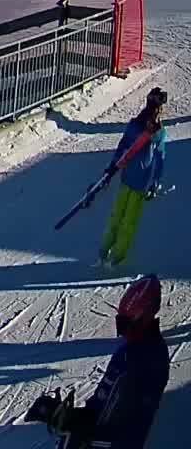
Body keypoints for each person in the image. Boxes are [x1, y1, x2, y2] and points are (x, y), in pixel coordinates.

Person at [31, 274, 169, 448]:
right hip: (95, 434)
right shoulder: (131, 351)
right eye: (120, 322)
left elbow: (130, 435)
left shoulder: (145, 361)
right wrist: (71, 416)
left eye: (125, 324)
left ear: (142, 317)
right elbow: (103, 403)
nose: (121, 331)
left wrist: (81, 430)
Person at [100, 89, 167, 268]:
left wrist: (155, 182)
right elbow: (159, 158)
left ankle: (109, 254)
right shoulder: (148, 129)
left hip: (134, 180)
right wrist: (155, 182)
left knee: (119, 217)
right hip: (136, 180)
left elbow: (157, 157)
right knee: (126, 221)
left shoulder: (152, 130)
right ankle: (113, 255)